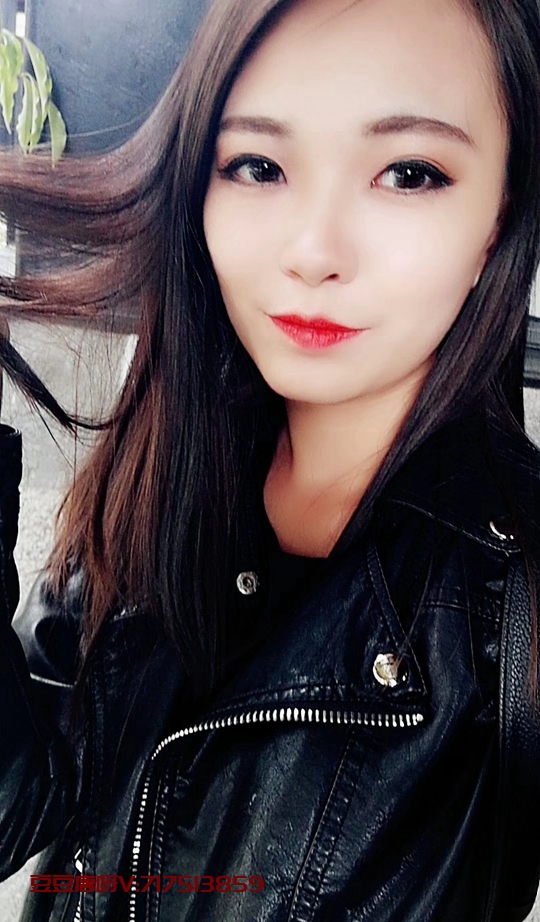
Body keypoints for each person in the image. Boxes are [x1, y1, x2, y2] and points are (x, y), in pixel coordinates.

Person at [1, 0, 540, 919]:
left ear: (500, 213)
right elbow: (24, 804)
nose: (313, 252)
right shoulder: (160, 460)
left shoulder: (513, 601)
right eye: (258, 165)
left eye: (409, 173)